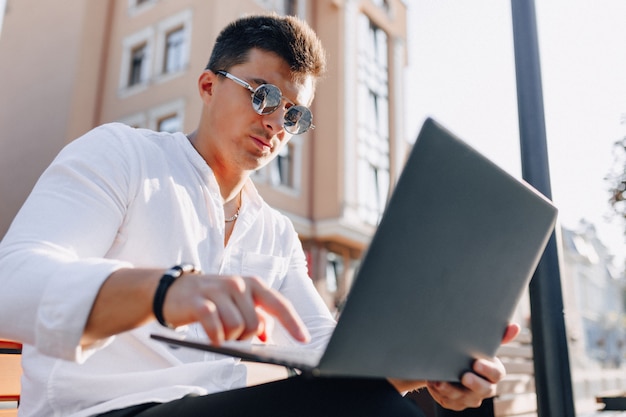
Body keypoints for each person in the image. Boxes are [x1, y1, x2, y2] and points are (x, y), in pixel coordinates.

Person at [0, 14, 519, 417]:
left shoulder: (274, 232)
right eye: (264, 96)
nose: (277, 123)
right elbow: (12, 281)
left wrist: (431, 365)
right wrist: (163, 291)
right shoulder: (122, 155)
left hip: (207, 409)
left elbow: (326, 353)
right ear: (208, 86)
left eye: (295, 115)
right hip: (97, 410)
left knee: (404, 405)